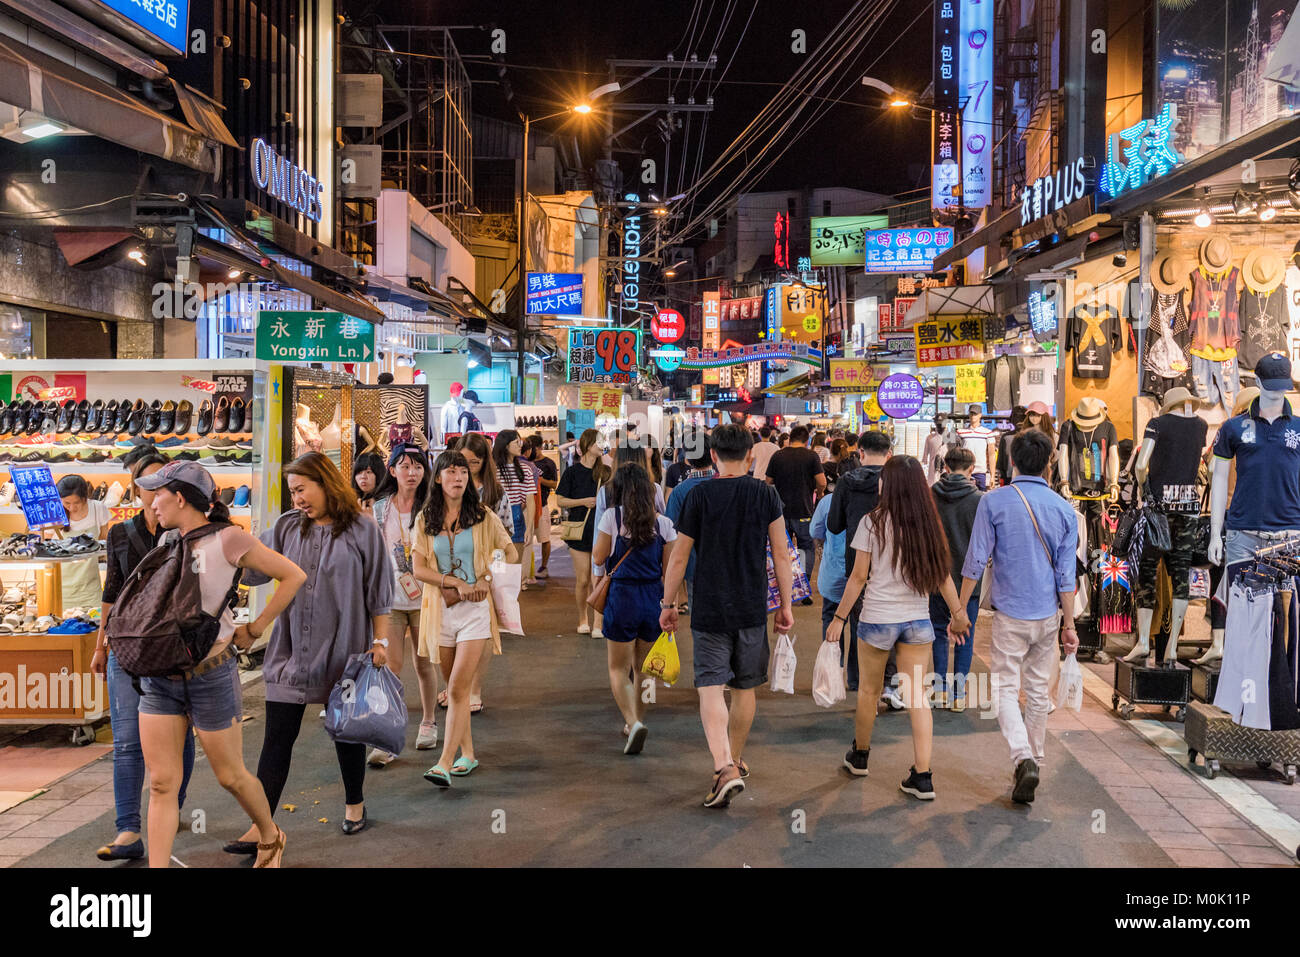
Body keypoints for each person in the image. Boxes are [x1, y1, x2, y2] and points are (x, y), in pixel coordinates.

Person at [134, 461, 306, 868]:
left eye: (157, 493)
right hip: (161, 677)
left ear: (179, 497)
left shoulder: (230, 538)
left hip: (210, 675)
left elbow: (293, 575)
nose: (151, 501)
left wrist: (257, 627)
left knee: (230, 776)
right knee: (161, 783)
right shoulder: (166, 543)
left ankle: (270, 834)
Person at [226, 452, 392, 850]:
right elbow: (252, 568)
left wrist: (380, 643)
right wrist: (224, 543)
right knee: (277, 738)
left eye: (302, 489)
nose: (297, 499)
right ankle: (261, 826)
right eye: (292, 492)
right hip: (290, 652)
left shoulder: (364, 530)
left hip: (345, 650)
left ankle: (355, 803)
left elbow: (379, 595)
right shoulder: (286, 528)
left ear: (325, 483)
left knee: (347, 733)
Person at [659, 424, 794, 808]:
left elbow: (679, 557)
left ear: (714, 456)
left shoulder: (698, 496)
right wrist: (784, 604)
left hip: (710, 605)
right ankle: (733, 760)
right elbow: (781, 554)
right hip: (752, 607)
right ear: (750, 457)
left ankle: (724, 766)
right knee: (744, 687)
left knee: (709, 685)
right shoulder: (766, 495)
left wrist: (668, 605)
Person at [825, 455, 969, 800]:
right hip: (917, 621)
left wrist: (839, 619)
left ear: (885, 485)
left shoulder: (872, 523)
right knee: (918, 696)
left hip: (876, 619)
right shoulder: (929, 525)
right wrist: (958, 612)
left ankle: (860, 756)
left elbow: (859, 578)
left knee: (868, 693)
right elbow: (942, 575)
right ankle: (922, 776)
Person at [955, 429, 1079, 804]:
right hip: (1048, 616)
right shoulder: (1064, 509)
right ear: (1049, 463)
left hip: (1009, 615)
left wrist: (961, 610)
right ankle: (1034, 760)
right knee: (1039, 693)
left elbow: (975, 561)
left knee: (1005, 690)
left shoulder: (993, 502)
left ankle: (1023, 757)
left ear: (1011, 461)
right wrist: (1069, 625)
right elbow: (1066, 575)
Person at [91, 453, 195, 862]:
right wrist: (101, 645)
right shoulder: (121, 533)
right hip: (126, 648)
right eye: (144, 484)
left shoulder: (188, 532)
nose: (152, 492)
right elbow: (111, 594)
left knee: (178, 736)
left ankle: (171, 804)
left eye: (160, 484)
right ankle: (128, 830)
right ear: (135, 488)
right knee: (127, 742)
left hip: (172, 650)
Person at [412, 450, 515, 787]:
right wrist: (453, 581)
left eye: (463, 472)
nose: (457, 477)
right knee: (454, 690)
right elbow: (418, 568)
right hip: (440, 611)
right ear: (438, 477)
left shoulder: (483, 515)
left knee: (458, 687)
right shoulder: (425, 518)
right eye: (450, 471)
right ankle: (467, 754)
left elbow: (509, 551)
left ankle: (443, 762)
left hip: (475, 613)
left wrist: (487, 578)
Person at [592, 463, 678, 754]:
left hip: (622, 597)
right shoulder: (663, 524)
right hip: (652, 598)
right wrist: (671, 605)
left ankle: (631, 721)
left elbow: (599, 556)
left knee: (618, 668)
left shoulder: (611, 517)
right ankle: (638, 719)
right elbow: (670, 570)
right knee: (645, 670)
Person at [366, 443, 440, 767]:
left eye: (418, 466)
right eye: (405, 466)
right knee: (390, 668)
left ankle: (428, 722)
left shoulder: (434, 507)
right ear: (392, 470)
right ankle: (390, 736)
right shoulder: (380, 508)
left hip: (425, 597)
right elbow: (373, 551)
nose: (412, 473)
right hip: (390, 598)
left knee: (424, 664)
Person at [826, 430, 892, 695]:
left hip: (857, 559)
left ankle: (857, 680)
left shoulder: (846, 481)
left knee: (858, 620)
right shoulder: (896, 481)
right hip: (892, 561)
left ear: (860, 453)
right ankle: (888, 682)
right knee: (890, 618)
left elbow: (834, 525)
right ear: (889, 454)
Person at [930, 446, 984, 711]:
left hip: (936, 578)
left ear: (946, 468)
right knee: (965, 635)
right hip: (968, 581)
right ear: (972, 469)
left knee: (939, 632)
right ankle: (959, 695)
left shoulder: (930, 496)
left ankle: (939, 690)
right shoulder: (979, 500)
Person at [765, 424, 826, 605]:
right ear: (807, 440)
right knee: (806, 548)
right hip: (804, 510)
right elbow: (821, 481)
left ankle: (783, 591)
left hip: (780, 513)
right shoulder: (811, 456)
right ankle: (804, 590)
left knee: (781, 550)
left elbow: (768, 481)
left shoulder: (778, 455)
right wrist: (819, 492)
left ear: (790, 438)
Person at [555, 429, 607, 635]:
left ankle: (598, 624)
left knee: (599, 580)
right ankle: (582, 619)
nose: (602, 445)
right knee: (583, 580)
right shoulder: (572, 472)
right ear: (587, 445)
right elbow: (560, 500)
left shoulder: (606, 472)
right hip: (579, 530)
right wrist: (583, 502)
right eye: (598, 442)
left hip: (601, 531)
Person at [664, 432, 714, 612]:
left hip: (694, 568)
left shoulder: (679, 493)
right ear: (713, 454)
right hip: (729, 568)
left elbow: (671, 537)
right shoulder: (727, 485)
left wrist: (669, 603)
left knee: (703, 627)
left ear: (687, 458)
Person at [57, 475, 111, 612]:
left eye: (76, 502)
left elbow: (104, 542)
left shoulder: (98, 508)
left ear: (85, 497)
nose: (72, 507)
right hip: (62, 586)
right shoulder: (55, 512)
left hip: (90, 585)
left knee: (94, 626)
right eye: (67, 503)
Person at [810, 476, 847, 654]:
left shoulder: (827, 501)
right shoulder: (873, 499)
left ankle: (833, 673)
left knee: (830, 620)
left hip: (833, 574)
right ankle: (856, 679)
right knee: (859, 626)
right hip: (864, 578)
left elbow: (815, 530)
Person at [523, 434, 558, 578]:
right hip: (526, 506)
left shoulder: (549, 463)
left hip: (542, 505)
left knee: (544, 538)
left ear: (538, 448)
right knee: (526, 539)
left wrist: (539, 479)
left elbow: (554, 484)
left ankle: (543, 566)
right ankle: (526, 569)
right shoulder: (524, 463)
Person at [958, 404, 997, 489]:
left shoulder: (987, 433)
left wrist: (992, 476)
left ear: (980, 415)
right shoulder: (961, 433)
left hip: (980, 472)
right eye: (971, 413)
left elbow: (992, 455)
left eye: (975, 414)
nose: (973, 416)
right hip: (965, 472)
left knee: (980, 499)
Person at [993, 406, 1028, 487]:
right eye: (1016, 417)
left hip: (1026, 476)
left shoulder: (1031, 436)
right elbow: (1000, 462)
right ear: (1012, 419)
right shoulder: (1006, 437)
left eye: (1021, 417)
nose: (1018, 420)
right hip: (1009, 478)